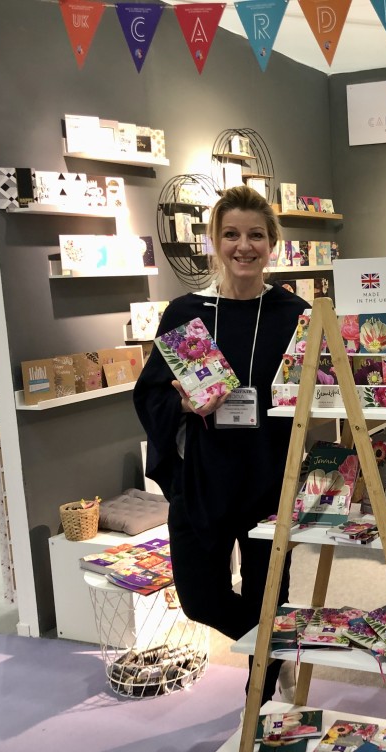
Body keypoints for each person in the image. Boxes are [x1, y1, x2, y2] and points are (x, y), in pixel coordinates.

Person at [134, 185, 309, 705]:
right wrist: (184, 405)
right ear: (213, 241)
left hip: (269, 478)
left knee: (267, 599)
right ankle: (276, 650)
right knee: (200, 598)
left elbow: (315, 392)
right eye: (231, 234)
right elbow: (149, 393)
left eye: (256, 234)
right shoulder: (186, 313)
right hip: (202, 479)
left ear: (272, 243)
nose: (243, 245)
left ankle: (259, 711)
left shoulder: (295, 313)